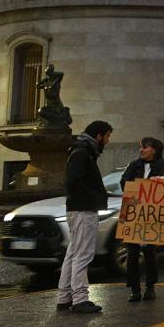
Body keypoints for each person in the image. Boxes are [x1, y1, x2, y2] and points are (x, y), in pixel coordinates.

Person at [55, 121, 114, 314]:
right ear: (98, 136)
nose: (107, 140)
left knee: (73, 253)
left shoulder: (82, 151)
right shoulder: (82, 153)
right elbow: (74, 181)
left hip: (78, 208)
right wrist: (96, 198)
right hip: (83, 210)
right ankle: (80, 298)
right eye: (107, 136)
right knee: (83, 254)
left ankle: (64, 296)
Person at [120, 137, 164, 302]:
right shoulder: (135, 165)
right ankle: (134, 289)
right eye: (140, 147)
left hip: (152, 215)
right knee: (132, 254)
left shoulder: (163, 167)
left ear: (154, 150)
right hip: (134, 213)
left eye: (145, 147)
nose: (141, 150)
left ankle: (150, 287)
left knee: (150, 253)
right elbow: (124, 182)